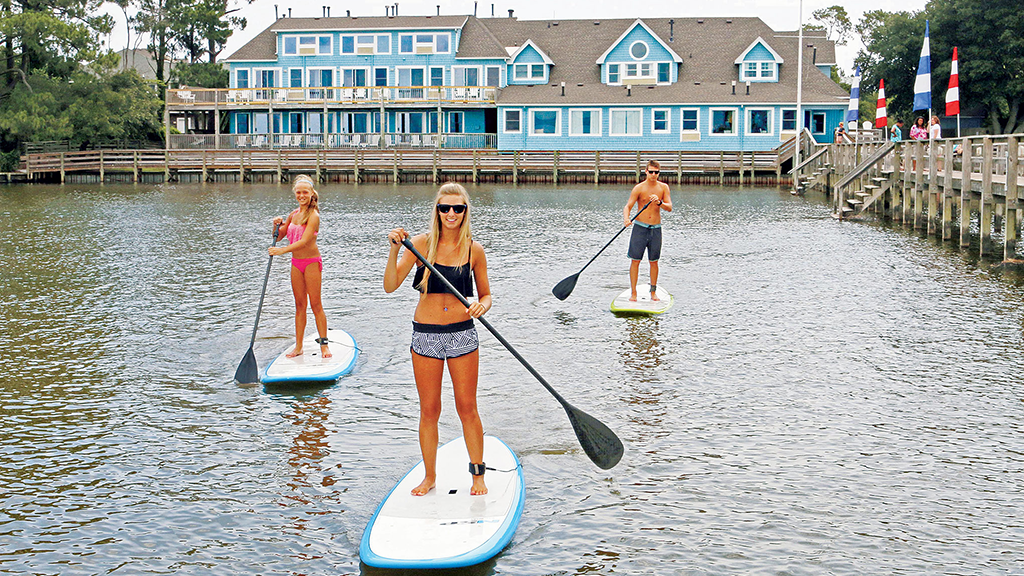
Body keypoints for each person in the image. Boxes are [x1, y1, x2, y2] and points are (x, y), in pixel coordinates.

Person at [384, 182, 493, 497]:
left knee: (467, 407)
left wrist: (480, 306)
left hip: (461, 335)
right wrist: (394, 250)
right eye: (444, 208)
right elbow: (390, 285)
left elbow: (486, 295)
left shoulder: (474, 250)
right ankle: (429, 477)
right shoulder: (420, 245)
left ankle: (477, 475)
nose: (451, 213)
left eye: (458, 208)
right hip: (426, 336)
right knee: (429, 409)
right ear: (437, 211)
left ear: (465, 212)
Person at [270, 174, 330, 359]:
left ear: (312, 193)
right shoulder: (293, 215)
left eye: (305, 192)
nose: (301, 195)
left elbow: (304, 242)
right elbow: (279, 236)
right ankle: (298, 347)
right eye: (298, 192)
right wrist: (276, 226)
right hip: (296, 264)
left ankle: (324, 346)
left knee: (316, 304)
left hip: (311, 263)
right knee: (299, 305)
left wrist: (282, 251)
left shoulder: (314, 216)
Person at [623, 159, 673, 302]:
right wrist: (626, 219)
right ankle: (633, 293)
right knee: (635, 261)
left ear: (659, 173)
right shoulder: (639, 188)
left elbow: (669, 207)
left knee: (654, 261)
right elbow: (628, 206)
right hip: (640, 228)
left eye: (656, 172)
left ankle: (653, 292)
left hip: (655, 229)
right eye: (650, 172)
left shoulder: (663, 188)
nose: (653, 174)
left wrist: (660, 202)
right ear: (646, 172)